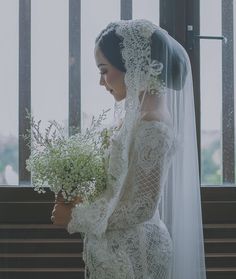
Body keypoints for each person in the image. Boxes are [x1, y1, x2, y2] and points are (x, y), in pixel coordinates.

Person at [51, 19, 206, 279]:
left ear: (132, 65)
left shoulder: (152, 125)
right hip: (116, 249)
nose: (101, 82)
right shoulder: (135, 116)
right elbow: (118, 187)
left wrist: (76, 217)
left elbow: (141, 207)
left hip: (137, 254)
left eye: (104, 70)